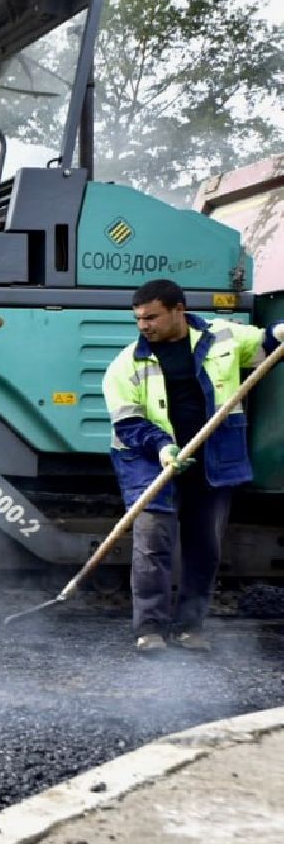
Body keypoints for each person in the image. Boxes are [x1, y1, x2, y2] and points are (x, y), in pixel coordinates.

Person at [104, 278, 280, 654]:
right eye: (138, 319)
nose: (144, 325)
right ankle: (149, 629)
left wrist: (279, 333)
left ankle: (189, 627)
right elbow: (127, 422)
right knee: (153, 543)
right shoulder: (126, 364)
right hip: (149, 462)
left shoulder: (222, 337)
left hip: (212, 458)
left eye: (151, 317)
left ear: (178, 310)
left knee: (205, 546)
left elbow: (263, 344)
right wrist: (164, 447)